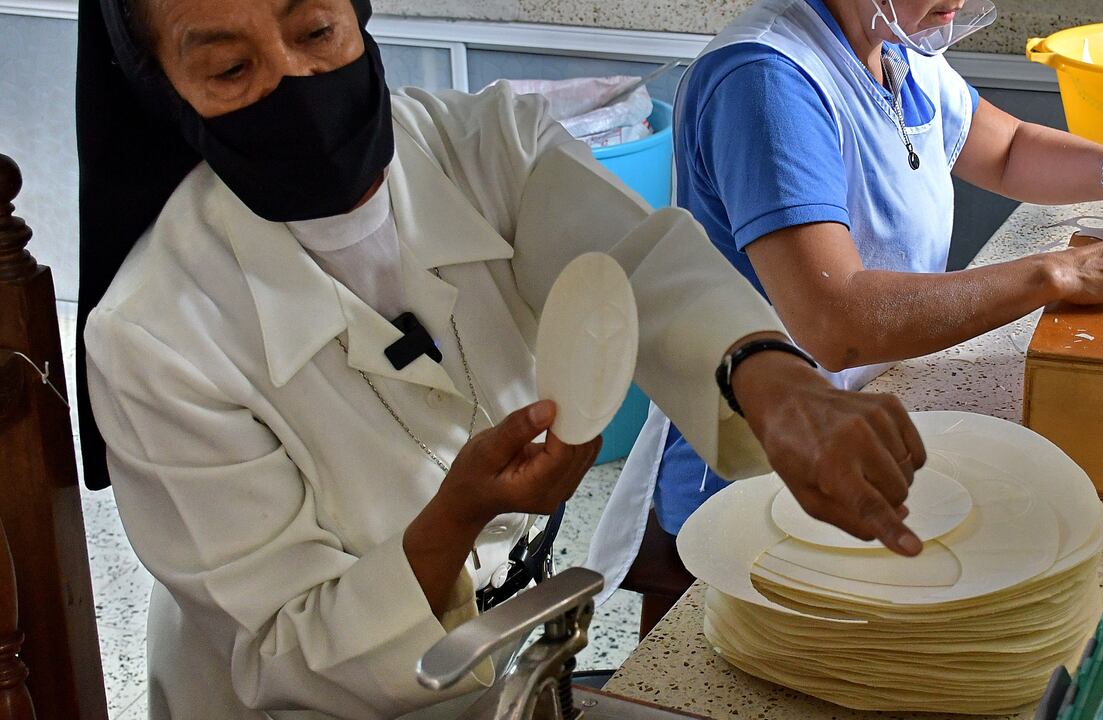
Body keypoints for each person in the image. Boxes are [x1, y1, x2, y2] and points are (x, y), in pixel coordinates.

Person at [76, 0, 937, 717]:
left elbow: (634, 267)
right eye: (230, 71)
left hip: (490, 670)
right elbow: (283, 646)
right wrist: (454, 519)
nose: (295, 86)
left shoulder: (484, 145)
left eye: (314, 32)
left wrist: (778, 383)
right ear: (168, 92)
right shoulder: (153, 337)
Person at [589, 0, 1103, 624]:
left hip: (861, 416)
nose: (958, 2)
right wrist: (1059, 272)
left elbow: (1008, 149)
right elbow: (837, 323)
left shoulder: (895, 45)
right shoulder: (768, 81)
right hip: (757, 465)